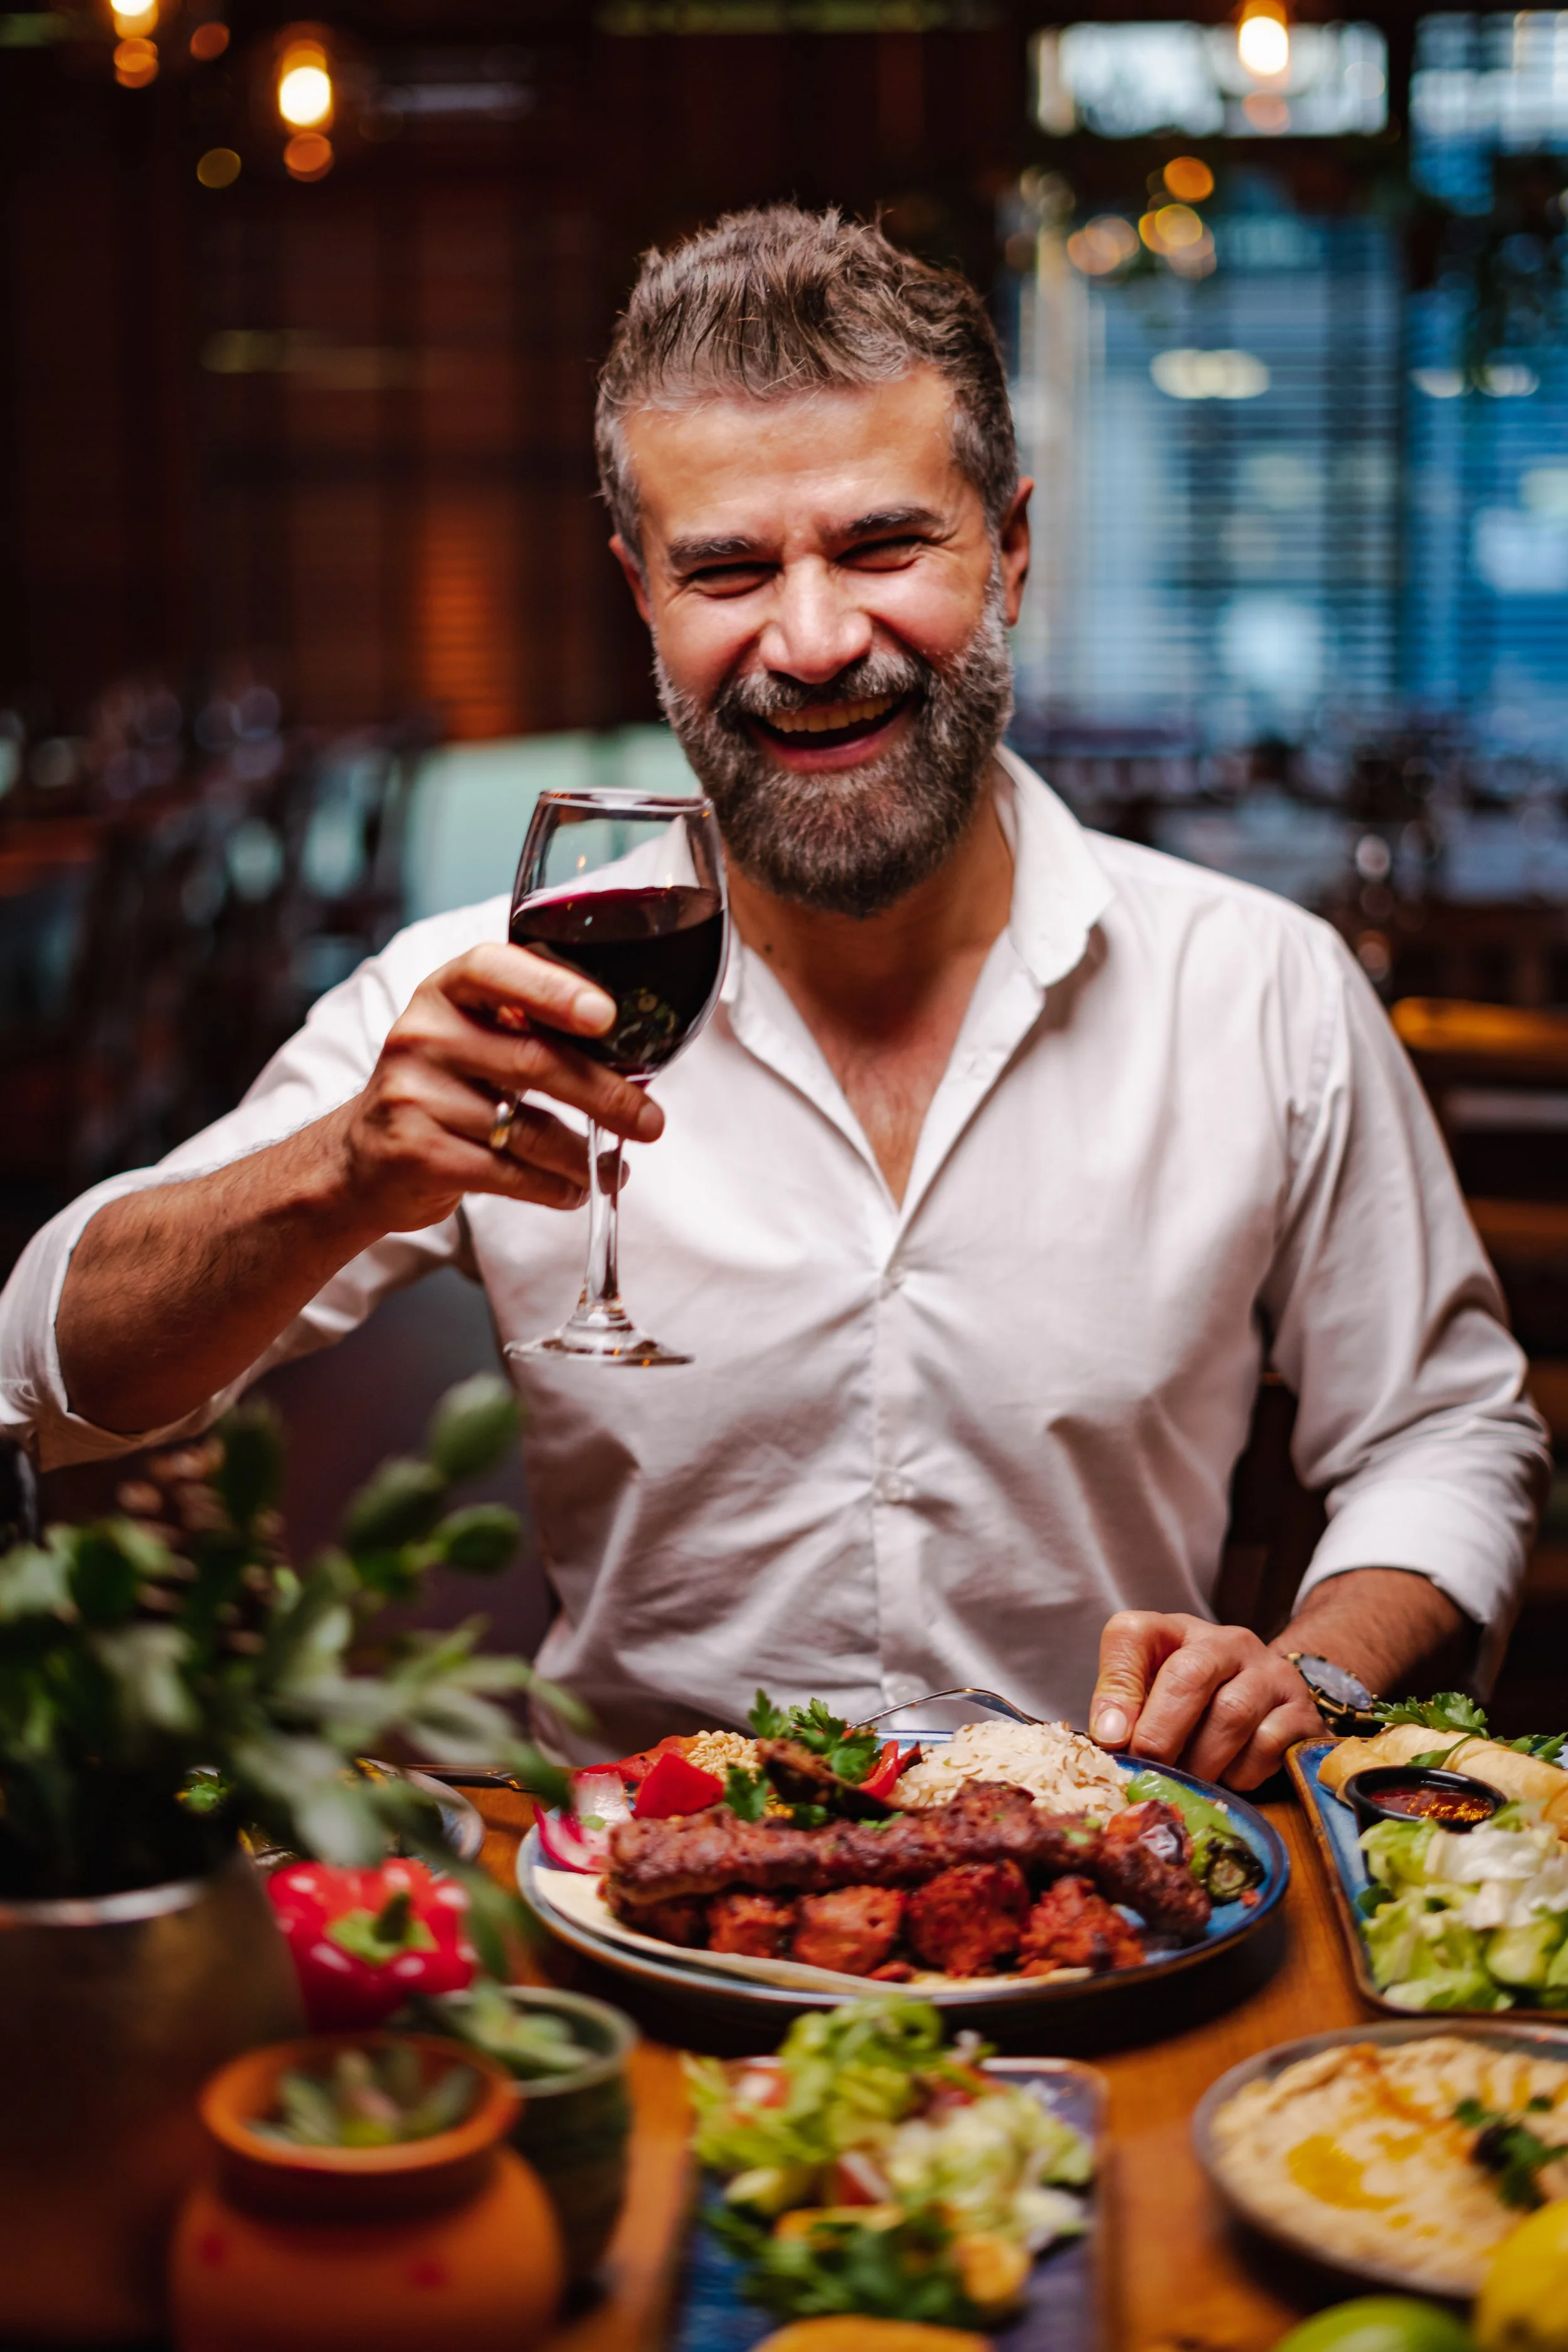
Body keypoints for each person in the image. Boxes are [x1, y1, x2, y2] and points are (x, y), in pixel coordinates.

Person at [0, 206, 1547, 1786]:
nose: (810, 642)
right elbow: (50, 1375)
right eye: (728, 569)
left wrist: (1314, 1678)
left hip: (1111, 1903)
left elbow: (1445, 1434)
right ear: (640, 595)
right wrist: (336, 1173)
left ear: (1008, 544)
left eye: (883, 547)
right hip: (628, 1918)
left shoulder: (1259, 987)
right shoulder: (486, 996)